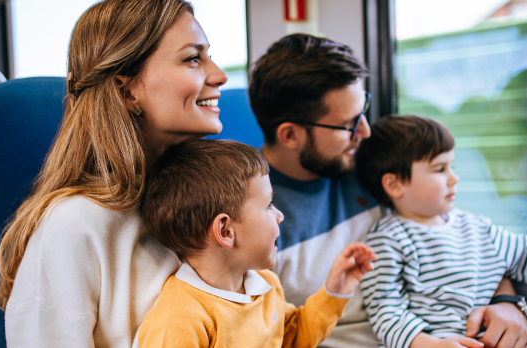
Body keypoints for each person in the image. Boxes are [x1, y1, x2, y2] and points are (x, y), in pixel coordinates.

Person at [249, 33, 527, 348]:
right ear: (290, 135)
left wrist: (508, 302)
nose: (366, 131)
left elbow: (465, 240)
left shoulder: (378, 165)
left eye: (364, 110)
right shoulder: (250, 215)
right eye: (348, 123)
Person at [0, 1, 228, 346]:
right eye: (193, 58)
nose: (219, 74)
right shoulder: (73, 228)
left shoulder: (203, 198)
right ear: (127, 89)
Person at [356, 115, 527, 348]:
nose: (454, 177)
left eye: (452, 166)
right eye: (439, 169)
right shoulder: (387, 238)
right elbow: (384, 307)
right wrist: (427, 343)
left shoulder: (477, 228)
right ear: (394, 185)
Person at [135, 139, 377, 347]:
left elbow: (293, 337)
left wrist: (335, 291)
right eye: (268, 205)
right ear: (226, 231)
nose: (279, 215)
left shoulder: (266, 283)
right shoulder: (179, 319)